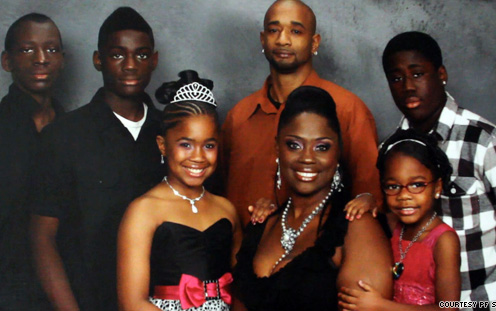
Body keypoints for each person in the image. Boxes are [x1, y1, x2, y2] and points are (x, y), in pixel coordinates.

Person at [29, 7, 164, 311]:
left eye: (141, 55)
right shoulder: (64, 135)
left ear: (154, 61)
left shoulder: (170, 133)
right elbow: (42, 239)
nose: (130, 65)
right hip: (89, 300)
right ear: (98, 60)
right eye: (117, 55)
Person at [382, 31, 496, 308]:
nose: (408, 86)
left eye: (418, 74)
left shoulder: (488, 144)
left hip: (485, 301)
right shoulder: (389, 152)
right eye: (396, 78)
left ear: (441, 74)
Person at [221, 0, 381, 227]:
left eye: (296, 31)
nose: (283, 39)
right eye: (273, 30)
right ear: (263, 40)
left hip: (319, 254)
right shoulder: (239, 116)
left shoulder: (347, 109)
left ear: (314, 42)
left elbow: (370, 196)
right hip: (241, 255)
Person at [232, 86, 392, 311]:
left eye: (322, 147)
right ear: (277, 146)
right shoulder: (261, 224)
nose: (307, 157)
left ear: (338, 152)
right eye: (294, 145)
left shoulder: (356, 228)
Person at [117, 70, 242, 311]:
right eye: (186, 144)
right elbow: (131, 302)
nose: (198, 157)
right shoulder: (143, 210)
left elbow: (242, 290)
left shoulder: (226, 209)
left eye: (209, 145)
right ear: (163, 145)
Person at [0, 13, 64, 311]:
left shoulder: (76, 133)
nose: (41, 59)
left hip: (64, 296)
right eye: (27, 49)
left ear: (62, 59)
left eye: (51, 49)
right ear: (7, 61)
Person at [339, 129, 461, 310]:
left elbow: (449, 308)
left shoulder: (444, 241)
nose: (404, 196)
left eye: (417, 185)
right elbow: (376, 210)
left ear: (437, 187)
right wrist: (368, 198)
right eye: (393, 186)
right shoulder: (393, 224)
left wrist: (381, 306)